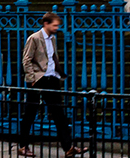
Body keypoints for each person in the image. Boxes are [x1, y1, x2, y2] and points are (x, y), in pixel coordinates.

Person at [19, 13, 85, 157]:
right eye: (54, 25)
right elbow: (26, 59)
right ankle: (23, 145)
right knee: (30, 112)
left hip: (52, 78)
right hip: (39, 78)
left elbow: (52, 57)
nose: (57, 28)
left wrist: (58, 73)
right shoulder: (35, 38)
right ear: (46, 24)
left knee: (59, 114)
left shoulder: (53, 39)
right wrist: (31, 79)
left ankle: (68, 147)